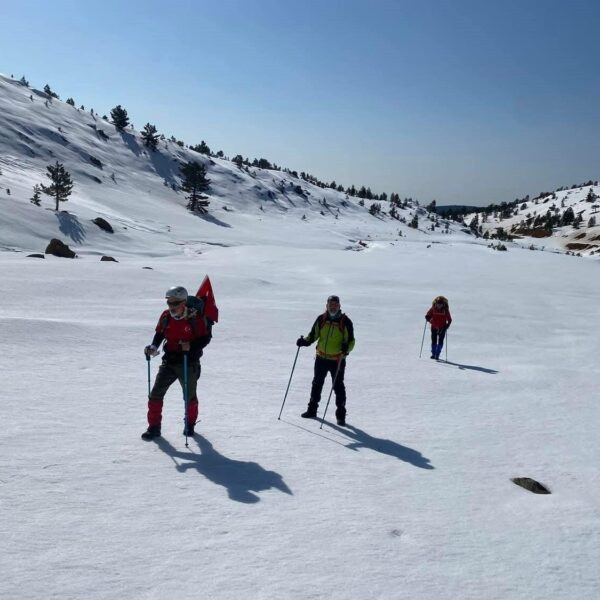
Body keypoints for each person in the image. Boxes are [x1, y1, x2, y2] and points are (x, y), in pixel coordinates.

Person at [141, 286, 213, 440]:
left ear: (183, 302)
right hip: (169, 360)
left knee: (189, 396)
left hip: (188, 362)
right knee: (155, 395)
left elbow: (205, 338)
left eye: (175, 303)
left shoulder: (195, 318)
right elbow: (160, 333)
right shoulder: (166, 316)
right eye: (169, 303)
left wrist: (191, 347)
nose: (171, 307)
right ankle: (154, 427)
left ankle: (190, 424)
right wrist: (153, 347)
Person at [296, 295, 355, 426]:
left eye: (335, 305)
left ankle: (341, 416)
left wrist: (346, 349)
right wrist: (304, 342)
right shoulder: (321, 319)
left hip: (337, 360)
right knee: (317, 383)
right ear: (327, 306)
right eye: (330, 305)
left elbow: (351, 341)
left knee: (338, 387)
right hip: (321, 358)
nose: (333, 307)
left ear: (339, 306)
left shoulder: (345, 322)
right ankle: (312, 410)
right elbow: (313, 335)